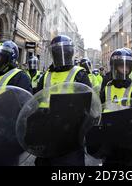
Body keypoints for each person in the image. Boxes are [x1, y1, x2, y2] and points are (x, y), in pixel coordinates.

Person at [34, 35, 92, 166]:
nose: (61, 56)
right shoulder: (45, 76)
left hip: (70, 137)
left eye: (64, 52)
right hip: (46, 134)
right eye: (57, 52)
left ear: (70, 53)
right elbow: (35, 102)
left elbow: (87, 107)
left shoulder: (80, 74)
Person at [100, 48, 132, 166]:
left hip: (129, 140)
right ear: (114, 67)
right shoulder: (107, 88)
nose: (125, 70)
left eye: (127, 67)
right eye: (121, 66)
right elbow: (101, 110)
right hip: (110, 140)